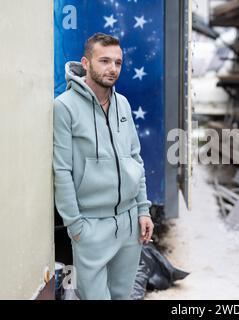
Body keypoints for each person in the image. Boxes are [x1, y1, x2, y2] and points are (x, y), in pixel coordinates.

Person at [53, 33, 154, 300]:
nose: (112, 68)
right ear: (86, 63)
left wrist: (143, 210)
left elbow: (135, 158)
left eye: (118, 63)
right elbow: (61, 170)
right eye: (105, 61)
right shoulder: (64, 107)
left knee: (123, 296)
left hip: (129, 224)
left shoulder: (122, 103)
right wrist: (76, 226)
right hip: (91, 227)